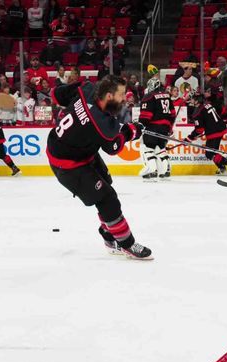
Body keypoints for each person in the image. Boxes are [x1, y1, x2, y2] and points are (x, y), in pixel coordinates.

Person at [46, 75, 152, 259]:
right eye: (121, 95)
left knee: (106, 184)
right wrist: (131, 131)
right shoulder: (102, 123)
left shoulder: (86, 88)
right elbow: (113, 147)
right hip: (68, 165)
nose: (124, 98)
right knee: (107, 199)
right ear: (109, 96)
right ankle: (126, 244)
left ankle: (109, 233)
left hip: (78, 150)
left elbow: (56, 95)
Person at [185, 92, 227, 175]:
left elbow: (199, 130)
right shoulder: (207, 104)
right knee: (213, 152)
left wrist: (189, 138)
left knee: (209, 153)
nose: (191, 100)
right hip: (219, 128)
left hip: (214, 132)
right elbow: (220, 111)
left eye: (193, 99)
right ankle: (222, 169)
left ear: (197, 100)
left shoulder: (197, 112)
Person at [138, 76, 176, 179]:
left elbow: (146, 116)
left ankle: (152, 170)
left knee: (148, 149)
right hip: (165, 128)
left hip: (153, 127)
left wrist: (140, 125)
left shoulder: (149, 96)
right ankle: (166, 169)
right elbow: (173, 114)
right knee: (161, 149)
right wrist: (169, 128)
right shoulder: (167, 96)